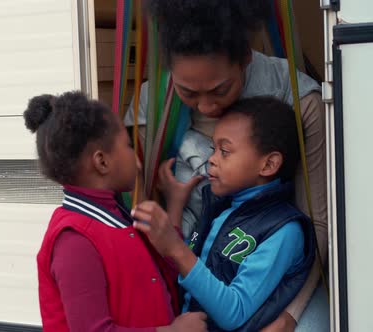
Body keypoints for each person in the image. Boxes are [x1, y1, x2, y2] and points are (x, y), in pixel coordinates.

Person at [123, 1, 328, 330]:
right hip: (193, 272)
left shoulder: (298, 101)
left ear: (246, 56)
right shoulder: (153, 106)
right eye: (188, 92)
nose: (206, 106)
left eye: (220, 90)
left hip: (280, 275)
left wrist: (289, 316)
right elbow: (144, 205)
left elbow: (317, 223)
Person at [25, 91, 207, 332]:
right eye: (128, 146)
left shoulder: (115, 215)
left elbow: (162, 265)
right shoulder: (74, 240)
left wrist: (174, 204)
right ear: (102, 162)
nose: (138, 159)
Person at [132, 97, 316, 331]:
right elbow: (187, 266)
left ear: (268, 165)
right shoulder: (221, 207)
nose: (211, 159)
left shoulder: (284, 231)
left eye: (224, 151)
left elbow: (234, 311)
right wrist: (176, 206)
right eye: (213, 149)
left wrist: (175, 248)